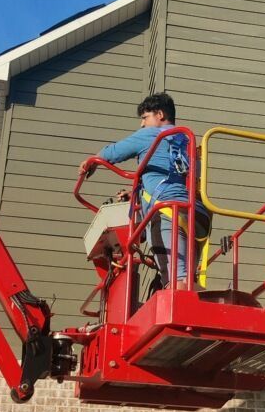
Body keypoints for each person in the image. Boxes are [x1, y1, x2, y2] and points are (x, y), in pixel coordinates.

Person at [80, 93, 211, 288]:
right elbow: (175, 175)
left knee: (176, 280)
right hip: (199, 214)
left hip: (168, 212)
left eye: (145, 117)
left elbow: (113, 152)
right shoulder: (187, 140)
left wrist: (91, 161)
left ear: (159, 114)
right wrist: (136, 193)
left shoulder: (151, 134)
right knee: (188, 279)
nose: (142, 124)